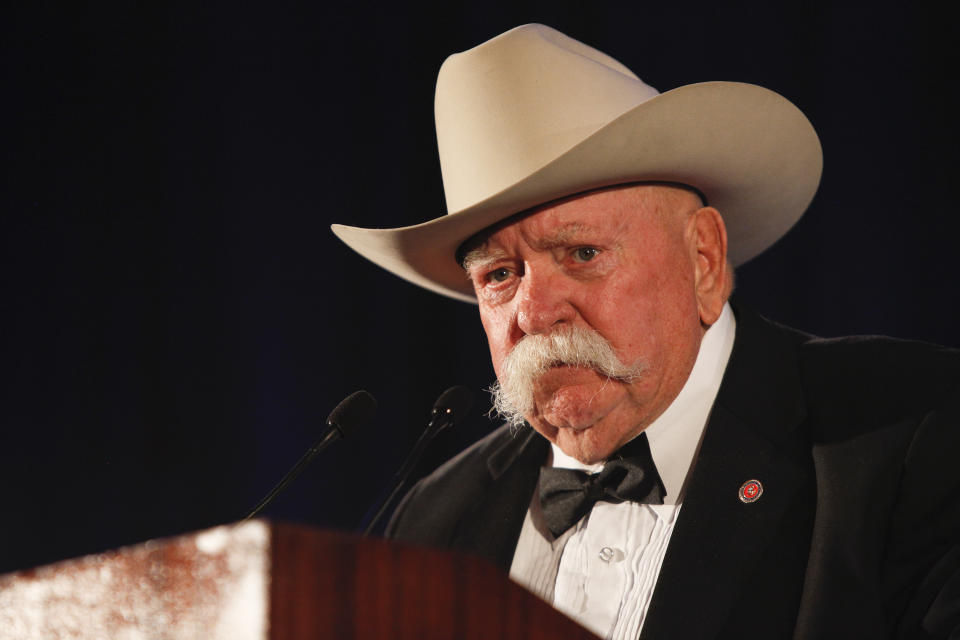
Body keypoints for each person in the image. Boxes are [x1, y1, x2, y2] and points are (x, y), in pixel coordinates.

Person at [332, 24, 960, 639]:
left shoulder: (910, 431)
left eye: (581, 254)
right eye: (500, 274)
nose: (534, 310)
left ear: (704, 260)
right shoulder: (434, 519)